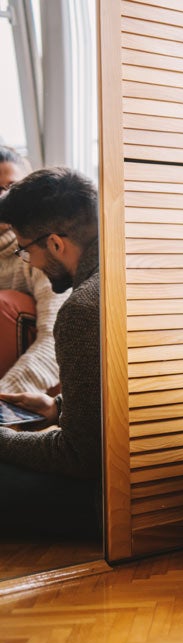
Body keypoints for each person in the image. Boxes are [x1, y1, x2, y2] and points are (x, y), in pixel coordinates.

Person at [0, 166, 101, 537]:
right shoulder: (130, 276)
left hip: (114, 501)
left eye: (26, 250)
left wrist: (4, 440)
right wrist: (55, 409)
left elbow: (79, 457)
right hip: (175, 484)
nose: (31, 262)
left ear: (56, 244)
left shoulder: (83, 309)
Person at [0, 146, 67, 395]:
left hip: (41, 382)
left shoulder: (42, 249)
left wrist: (5, 398)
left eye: (11, 188)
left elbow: (55, 339)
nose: (3, 198)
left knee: (5, 304)